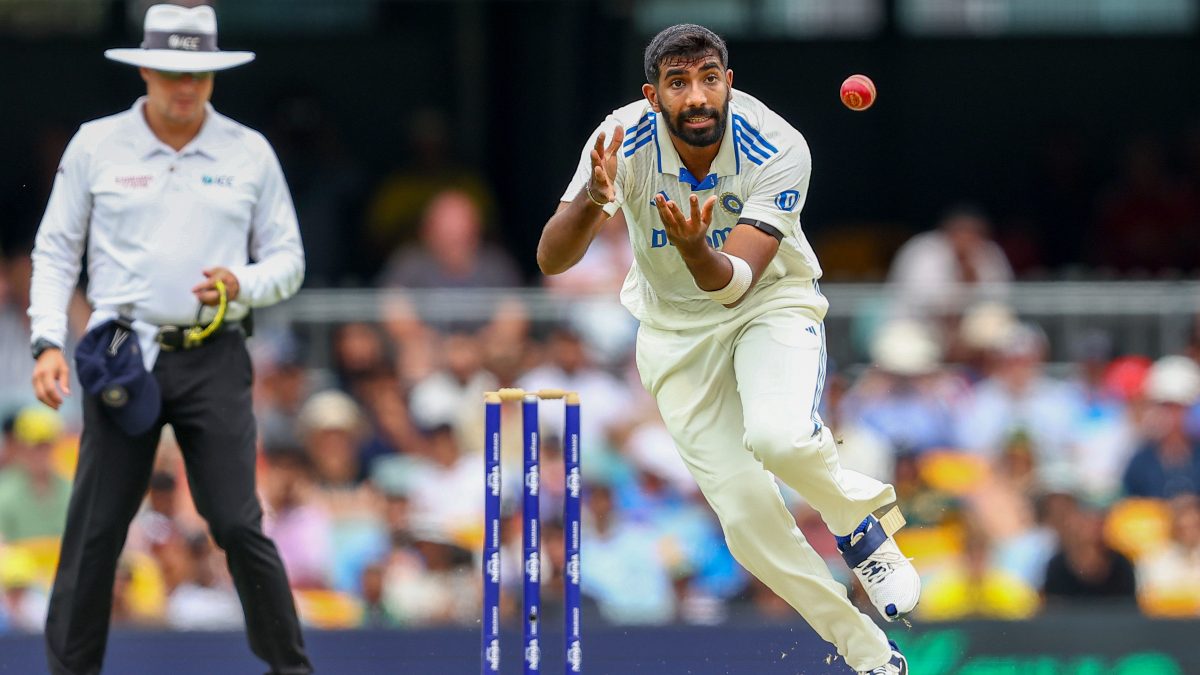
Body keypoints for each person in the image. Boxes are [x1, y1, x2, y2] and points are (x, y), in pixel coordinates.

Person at [538, 24, 916, 675]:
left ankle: (859, 525)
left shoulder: (778, 145)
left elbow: (735, 282)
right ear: (652, 95)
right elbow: (552, 257)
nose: (696, 96)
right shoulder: (619, 139)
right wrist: (596, 198)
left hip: (768, 306)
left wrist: (694, 250)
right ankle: (866, 650)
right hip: (674, 338)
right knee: (745, 523)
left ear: (729, 83)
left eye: (708, 78)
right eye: (678, 83)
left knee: (779, 438)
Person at [27, 5, 312, 674]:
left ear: (213, 76)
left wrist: (241, 284)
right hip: (121, 352)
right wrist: (46, 342)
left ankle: (292, 669)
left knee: (236, 520)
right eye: (173, 73)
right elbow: (56, 251)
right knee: (97, 528)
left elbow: (289, 261)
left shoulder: (248, 150)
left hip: (215, 352)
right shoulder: (97, 144)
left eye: (199, 75)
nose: (186, 88)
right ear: (146, 71)